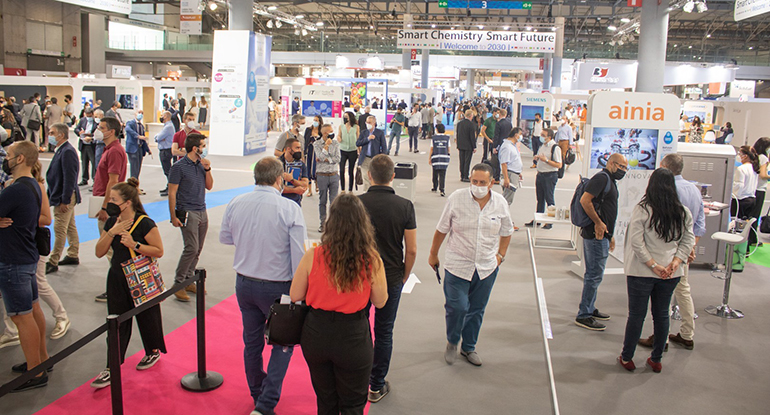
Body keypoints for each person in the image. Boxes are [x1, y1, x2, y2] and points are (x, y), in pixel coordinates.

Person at [220, 157, 307, 415]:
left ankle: (257, 392)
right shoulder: (289, 208)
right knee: (283, 343)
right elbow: (299, 255)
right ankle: (265, 403)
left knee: (252, 342)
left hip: (244, 283)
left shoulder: (236, 202)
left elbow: (226, 238)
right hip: (277, 286)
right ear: (280, 178)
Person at [290, 194, 388, 414]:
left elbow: (295, 294)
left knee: (325, 400)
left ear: (330, 222)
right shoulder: (371, 259)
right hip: (353, 337)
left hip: (316, 333)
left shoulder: (313, 255)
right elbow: (380, 302)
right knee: (353, 404)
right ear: (363, 223)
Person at [429, 163, 513, 366]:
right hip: (458, 264)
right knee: (457, 307)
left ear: (492, 183)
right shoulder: (456, 199)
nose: (477, 186)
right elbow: (441, 229)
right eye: (474, 181)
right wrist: (433, 254)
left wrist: (500, 256)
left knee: (476, 309)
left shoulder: (500, 203)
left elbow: (507, 231)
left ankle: (469, 347)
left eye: (482, 182)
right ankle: (452, 342)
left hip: (486, 267)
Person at [90, 178, 167, 388]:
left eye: (114, 199)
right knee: (116, 322)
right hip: (117, 278)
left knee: (147, 317)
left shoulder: (145, 223)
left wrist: (136, 244)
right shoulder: (112, 222)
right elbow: (99, 252)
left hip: (140, 276)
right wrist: (111, 232)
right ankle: (111, 366)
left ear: (127, 202)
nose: (110, 202)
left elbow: (158, 251)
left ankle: (153, 350)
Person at [618, 168, 695, 373]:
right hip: (670, 274)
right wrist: (676, 262)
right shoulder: (683, 212)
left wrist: (653, 264)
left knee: (636, 315)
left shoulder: (643, 209)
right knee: (662, 315)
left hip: (641, 272)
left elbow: (636, 242)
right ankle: (656, 358)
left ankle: (627, 357)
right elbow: (687, 240)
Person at [356, 154, 416, 403]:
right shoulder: (404, 206)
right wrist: (404, 275)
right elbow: (411, 249)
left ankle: (355, 380)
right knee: (384, 331)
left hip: (357, 275)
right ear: (393, 176)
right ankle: (376, 385)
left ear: (369, 175)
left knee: (357, 328)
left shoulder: (356, 204)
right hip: (390, 276)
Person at [0, 141, 53, 392]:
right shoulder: (33, 185)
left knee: (22, 317)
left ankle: (36, 370)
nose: (6, 159)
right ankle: (40, 359)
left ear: (20, 159)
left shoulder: (16, 189)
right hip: (26, 255)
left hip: (13, 259)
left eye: (9, 155)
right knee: (32, 309)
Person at [638, 154, 706, 351]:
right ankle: (687, 334)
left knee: (663, 296)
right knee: (683, 291)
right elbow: (699, 223)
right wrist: (689, 249)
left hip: (666, 252)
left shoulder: (667, 191)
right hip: (683, 251)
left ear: (665, 167)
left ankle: (662, 338)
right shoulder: (694, 189)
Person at [574, 153, 628, 331]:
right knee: (594, 274)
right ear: (611, 163)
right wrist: (598, 223)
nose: (623, 171)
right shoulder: (601, 179)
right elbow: (585, 200)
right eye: (621, 167)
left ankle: (589, 307)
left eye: (625, 168)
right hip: (595, 235)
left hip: (602, 234)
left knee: (595, 273)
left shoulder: (609, 181)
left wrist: (609, 234)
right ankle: (584, 314)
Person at [168, 133, 213, 302]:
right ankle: (178, 283)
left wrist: (208, 169)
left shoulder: (202, 165)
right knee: (191, 248)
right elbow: (172, 193)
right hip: (188, 211)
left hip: (202, 210)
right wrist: (173, 215)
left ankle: (188, 279)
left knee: (198, 248)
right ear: (195, 148)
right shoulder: (178, 167)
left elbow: (209, 185)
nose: (205, 148)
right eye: (203, 145)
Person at [92, 117, 128, 303]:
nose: (99, 130)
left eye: (102, 128)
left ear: (111, 131)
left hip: (109, 205)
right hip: (104, 201)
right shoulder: (109, 150)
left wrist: (106, 206)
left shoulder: (114, 151)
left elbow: (113, 181)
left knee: (111, 250)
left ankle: (119, 288)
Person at [45, 123, 82, 274]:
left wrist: (65, 200)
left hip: (64, 197)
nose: (50, 135)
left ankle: (53, 261)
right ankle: (73, 254)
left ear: (61, 135)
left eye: (52, 133)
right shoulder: (61, 150)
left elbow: (70, 178)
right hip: (61, 195)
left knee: (60, 229)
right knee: (70, 226)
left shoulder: (67, 151)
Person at [525, 128, 562, 230]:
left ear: (549, 137)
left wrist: (545, 160)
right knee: (540, 198)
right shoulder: (543, 146)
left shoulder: (555, 147)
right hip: (540, 174)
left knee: (549, 199)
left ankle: (550, 222)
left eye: (543, 135)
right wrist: (537, 158)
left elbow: (559, 164)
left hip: (550, 175)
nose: (541, 136)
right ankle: (538, 219)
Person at [312, 124, 341, 232]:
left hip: (334, 175)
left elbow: (338, 158)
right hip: (322, 176)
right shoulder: (317, 144)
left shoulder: (336, 143)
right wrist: (326, 147)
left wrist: (327, 159)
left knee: (334, 202)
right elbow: (319, 157)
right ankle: (322, 223)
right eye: (330, 131)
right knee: (322, 201)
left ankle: (333, 224)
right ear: (325, 133)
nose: (332, 133)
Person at [356, 115, 388, 191]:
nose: (368, 124)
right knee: (366, 178)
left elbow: (384, 146)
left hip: (375, 159)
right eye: (367, 122)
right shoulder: (364, 132)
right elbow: (358, 143)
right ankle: (367, 193)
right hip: (365, 158)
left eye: (369, 122)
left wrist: (383, 158)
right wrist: (367, 139)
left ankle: (373, 192)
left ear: (374, 123)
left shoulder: (379, 133)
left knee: (373, 178)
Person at [749, 137, 770, 246]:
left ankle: (750, 237)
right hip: (760, 189)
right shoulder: (763, 158)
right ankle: (752, 239)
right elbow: (763, 175)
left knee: (751, 214)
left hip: (752, 188)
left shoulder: (754, 156)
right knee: (755, 214)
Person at [499, 127, 524, 210]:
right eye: (520, 134)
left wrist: (518, 172)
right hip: (510, 174)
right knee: (507, 199)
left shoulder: (512, 146)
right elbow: (504, 164)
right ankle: (502, 218)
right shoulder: (507, 147)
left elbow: (513, 160)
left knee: (509, 198)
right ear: (516, 135)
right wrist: (506, 178)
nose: (521, 136)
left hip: (514, 173)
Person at [732, 145, 759, 220]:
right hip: (752, 199)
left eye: (740, 154)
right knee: (745, 223)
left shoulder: (741, 169)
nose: (739, 156)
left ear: (745, 156)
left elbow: (739, 185)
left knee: (736, 223)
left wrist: (733, 196)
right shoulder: (754, 168)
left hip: (741, 200)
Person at [280, 138, 309, 206]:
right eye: (297, 148)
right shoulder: (277, 164)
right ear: (289, 149)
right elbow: (276, 188)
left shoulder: (301, 164)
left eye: (300, 148)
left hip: (296, 202)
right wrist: (294, 190)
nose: (299, 151)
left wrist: (292, 180)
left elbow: (305, 184)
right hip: (280, 201)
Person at [125, 109, 151, 183]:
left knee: (138, 169)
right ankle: (132, 185)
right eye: (139, 112)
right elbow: (128, 129)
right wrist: (137, 136)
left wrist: (148, 149)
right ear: (135, 114)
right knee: (134, 169)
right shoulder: (130, 123)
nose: (140, 114)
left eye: (142, 113)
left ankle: (136, 185)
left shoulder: (141, 126)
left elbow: (143, 139)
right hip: (133, 149)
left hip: (140, 148)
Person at [74, 107, 98, 185]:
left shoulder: (96, 121)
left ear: (92, 114)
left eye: (89, 114)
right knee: (84, 162)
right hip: (83, 144)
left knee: (94, 162)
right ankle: (84, 179)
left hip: (92, 145)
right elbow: (76, 129)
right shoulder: (82, 120)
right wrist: (80, 132)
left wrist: (90, 135)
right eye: (86, 114)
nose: (88, 116)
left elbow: (97, 133)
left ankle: (95, 179)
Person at [155, 111, 175, 197]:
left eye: (162, 115)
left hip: (166, 151)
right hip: (165, 150)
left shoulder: (168, 127)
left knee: (167, 170)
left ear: (166, 116)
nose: (161, 117)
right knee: (167, 170)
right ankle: (169, 186)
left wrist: (158, 137)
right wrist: (158, 137)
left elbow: (158, 137)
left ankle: (170, 188)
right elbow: (159, 137)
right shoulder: (167, 126)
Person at [339, 111, 359, 192]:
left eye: (346, 116)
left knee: (351, 171)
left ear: (350, 117)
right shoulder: (341, 126)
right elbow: (339, 135)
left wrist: (359, 150)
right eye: (344, 116)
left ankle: (350, 189)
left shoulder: (356, 127)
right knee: (341, 170)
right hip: (343, 150)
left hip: (353, 150)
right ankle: (343, 189)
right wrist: (338, 138)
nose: (345, 118)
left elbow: (358, 139)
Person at [491, 109, 512, 182]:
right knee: (505, 160)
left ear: (500, 114)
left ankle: (496, 177)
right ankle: (504, 175)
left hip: (499, 144)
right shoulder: (509, 123)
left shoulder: (498, 124)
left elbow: (496, 136)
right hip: (507, 143)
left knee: (497, 161)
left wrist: (494, 146)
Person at [429, 124, 450, 196]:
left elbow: (432, 148)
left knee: (435, 173)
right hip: (444, 158)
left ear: (437, 129)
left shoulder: (434, 138)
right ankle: (442, 189)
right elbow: (448, 148)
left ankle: (435, 186)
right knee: (442, 174)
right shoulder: (447, 138)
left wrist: (429, 158)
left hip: (436, 157)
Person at [304, 115, 323, 197]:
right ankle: (309, 190)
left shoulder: (321, 131)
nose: (315, 121)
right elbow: (305, 141)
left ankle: (317, 184)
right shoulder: (308, 130)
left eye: (317, 120)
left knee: (316, 169)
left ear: (320, 122)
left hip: (317, 152)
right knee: (308, 169)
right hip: (309, 151)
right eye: (314, 120)